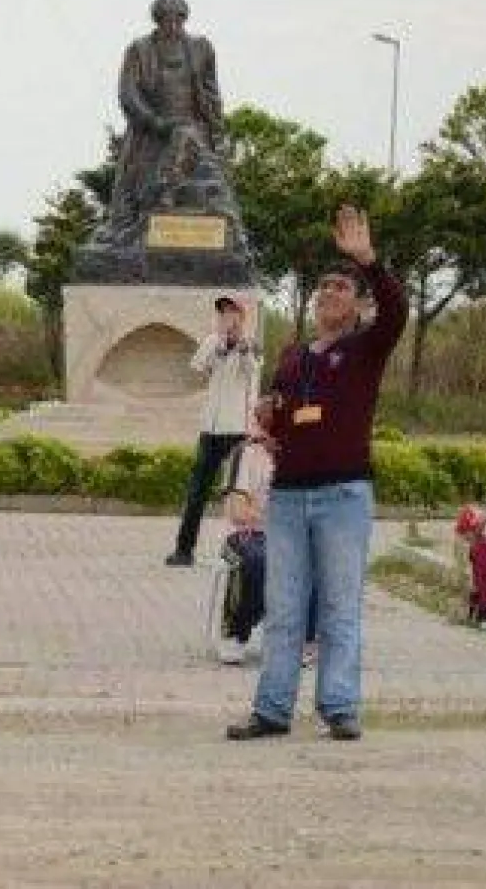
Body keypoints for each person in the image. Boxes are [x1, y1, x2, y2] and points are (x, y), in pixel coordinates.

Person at [227, 205, 407, 743]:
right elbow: (289, 412)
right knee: (283, 607)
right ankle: (273, 709)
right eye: (324, 286)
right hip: (287, 497)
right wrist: (270, 415)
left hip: (343, 495)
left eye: (342, 287)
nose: (330, 292)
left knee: (338, 604)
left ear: (356, 306)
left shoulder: (366, 348)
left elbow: (397, 312)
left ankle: (339, 706)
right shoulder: (292, 357)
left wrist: (367, 261)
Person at [166, 293, 257, 567]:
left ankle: (245, 550)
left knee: (240, 492)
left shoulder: (251, 345)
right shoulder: (211, 341)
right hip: (211, 429)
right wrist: (219, 342)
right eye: (222, 313)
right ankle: (184, 550)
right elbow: (198, 367)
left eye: (231, 312)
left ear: (241, 316)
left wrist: (238, 343)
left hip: (238, 431)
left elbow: (251, 369)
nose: (226, 317)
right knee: (197, 492)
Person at [215, 439, 318, 666]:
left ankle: (303, 638)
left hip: (290, 535)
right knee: (256, 560)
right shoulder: (246, 453)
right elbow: (237, 510)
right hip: (246, 535)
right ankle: (235, 631)